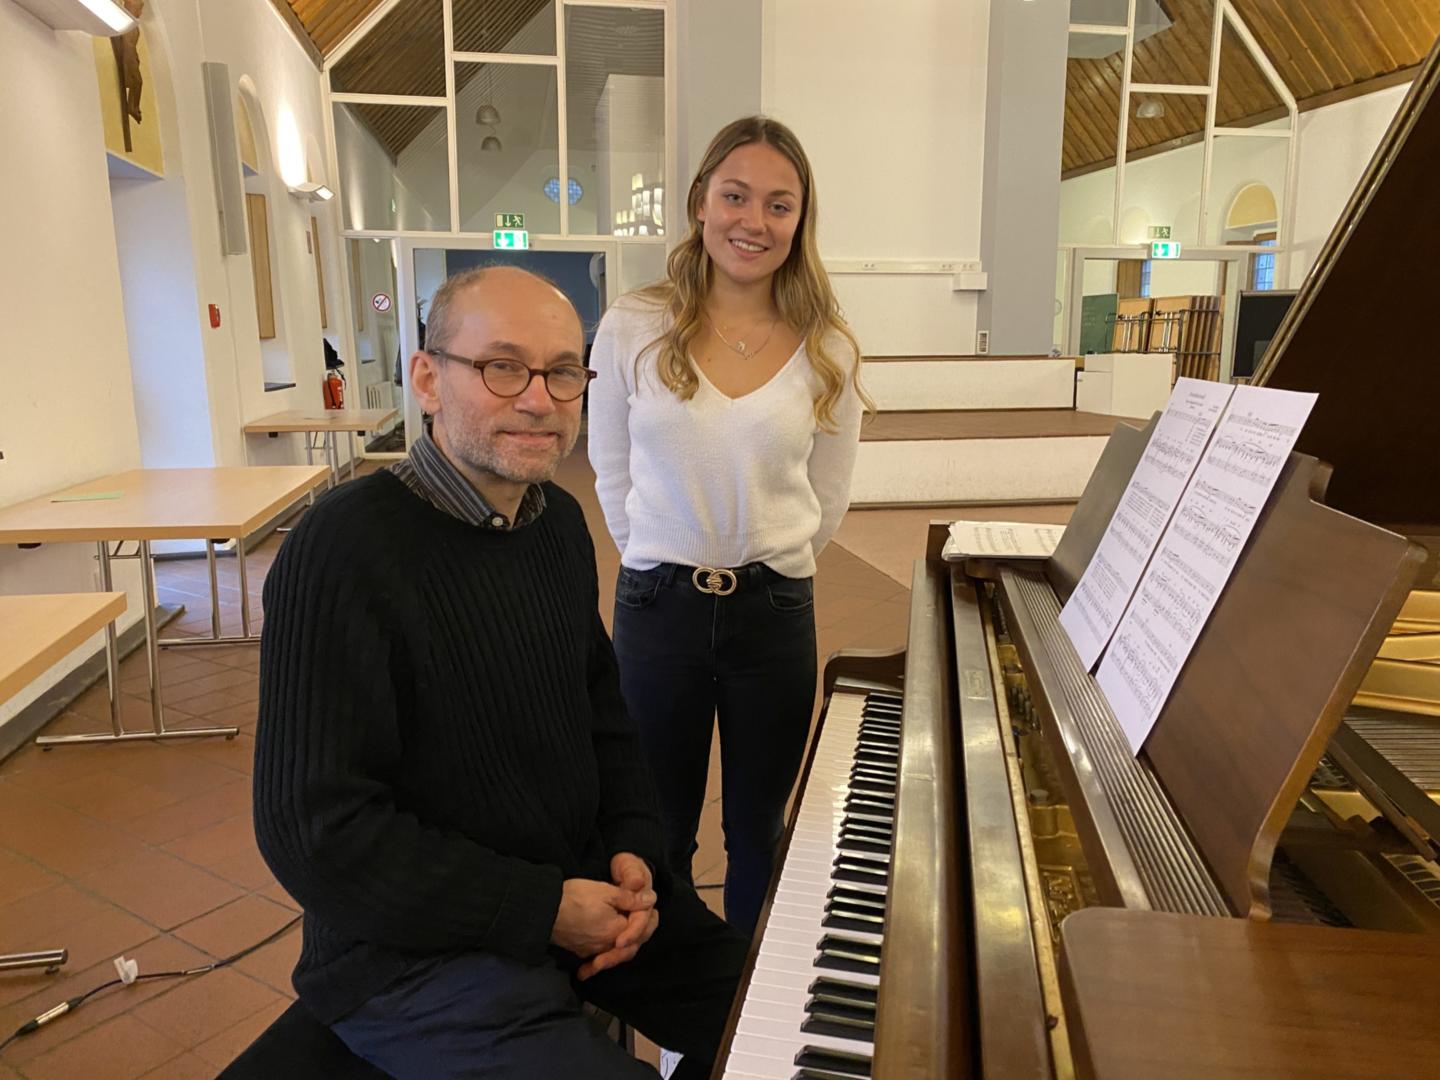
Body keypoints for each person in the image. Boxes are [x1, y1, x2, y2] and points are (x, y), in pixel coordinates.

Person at [253, 266, 747, 1079]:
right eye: (502, 367)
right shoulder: (343, 550)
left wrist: (631, 852)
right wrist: (544, 910)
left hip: (576, 896)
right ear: (427, 380)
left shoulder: (553, 527)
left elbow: (605, 721)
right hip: (412, 957)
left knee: (797, 1016)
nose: (540, 399)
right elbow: (317, 834)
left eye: (562, 371)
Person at [587, 116, 868, 935]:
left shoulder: (830, 347)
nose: (755, 220)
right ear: (700, 204)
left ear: (800, 220)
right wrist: (657, 551)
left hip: (774, 611)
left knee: (757, 831)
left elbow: (830, 493)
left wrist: (764, 562)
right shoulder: (634, 326)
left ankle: (741, 1004)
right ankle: (671, 1003)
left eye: (779, 205)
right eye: (736, 196)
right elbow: (611, 468)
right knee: (657, 830)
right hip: (658, 606)